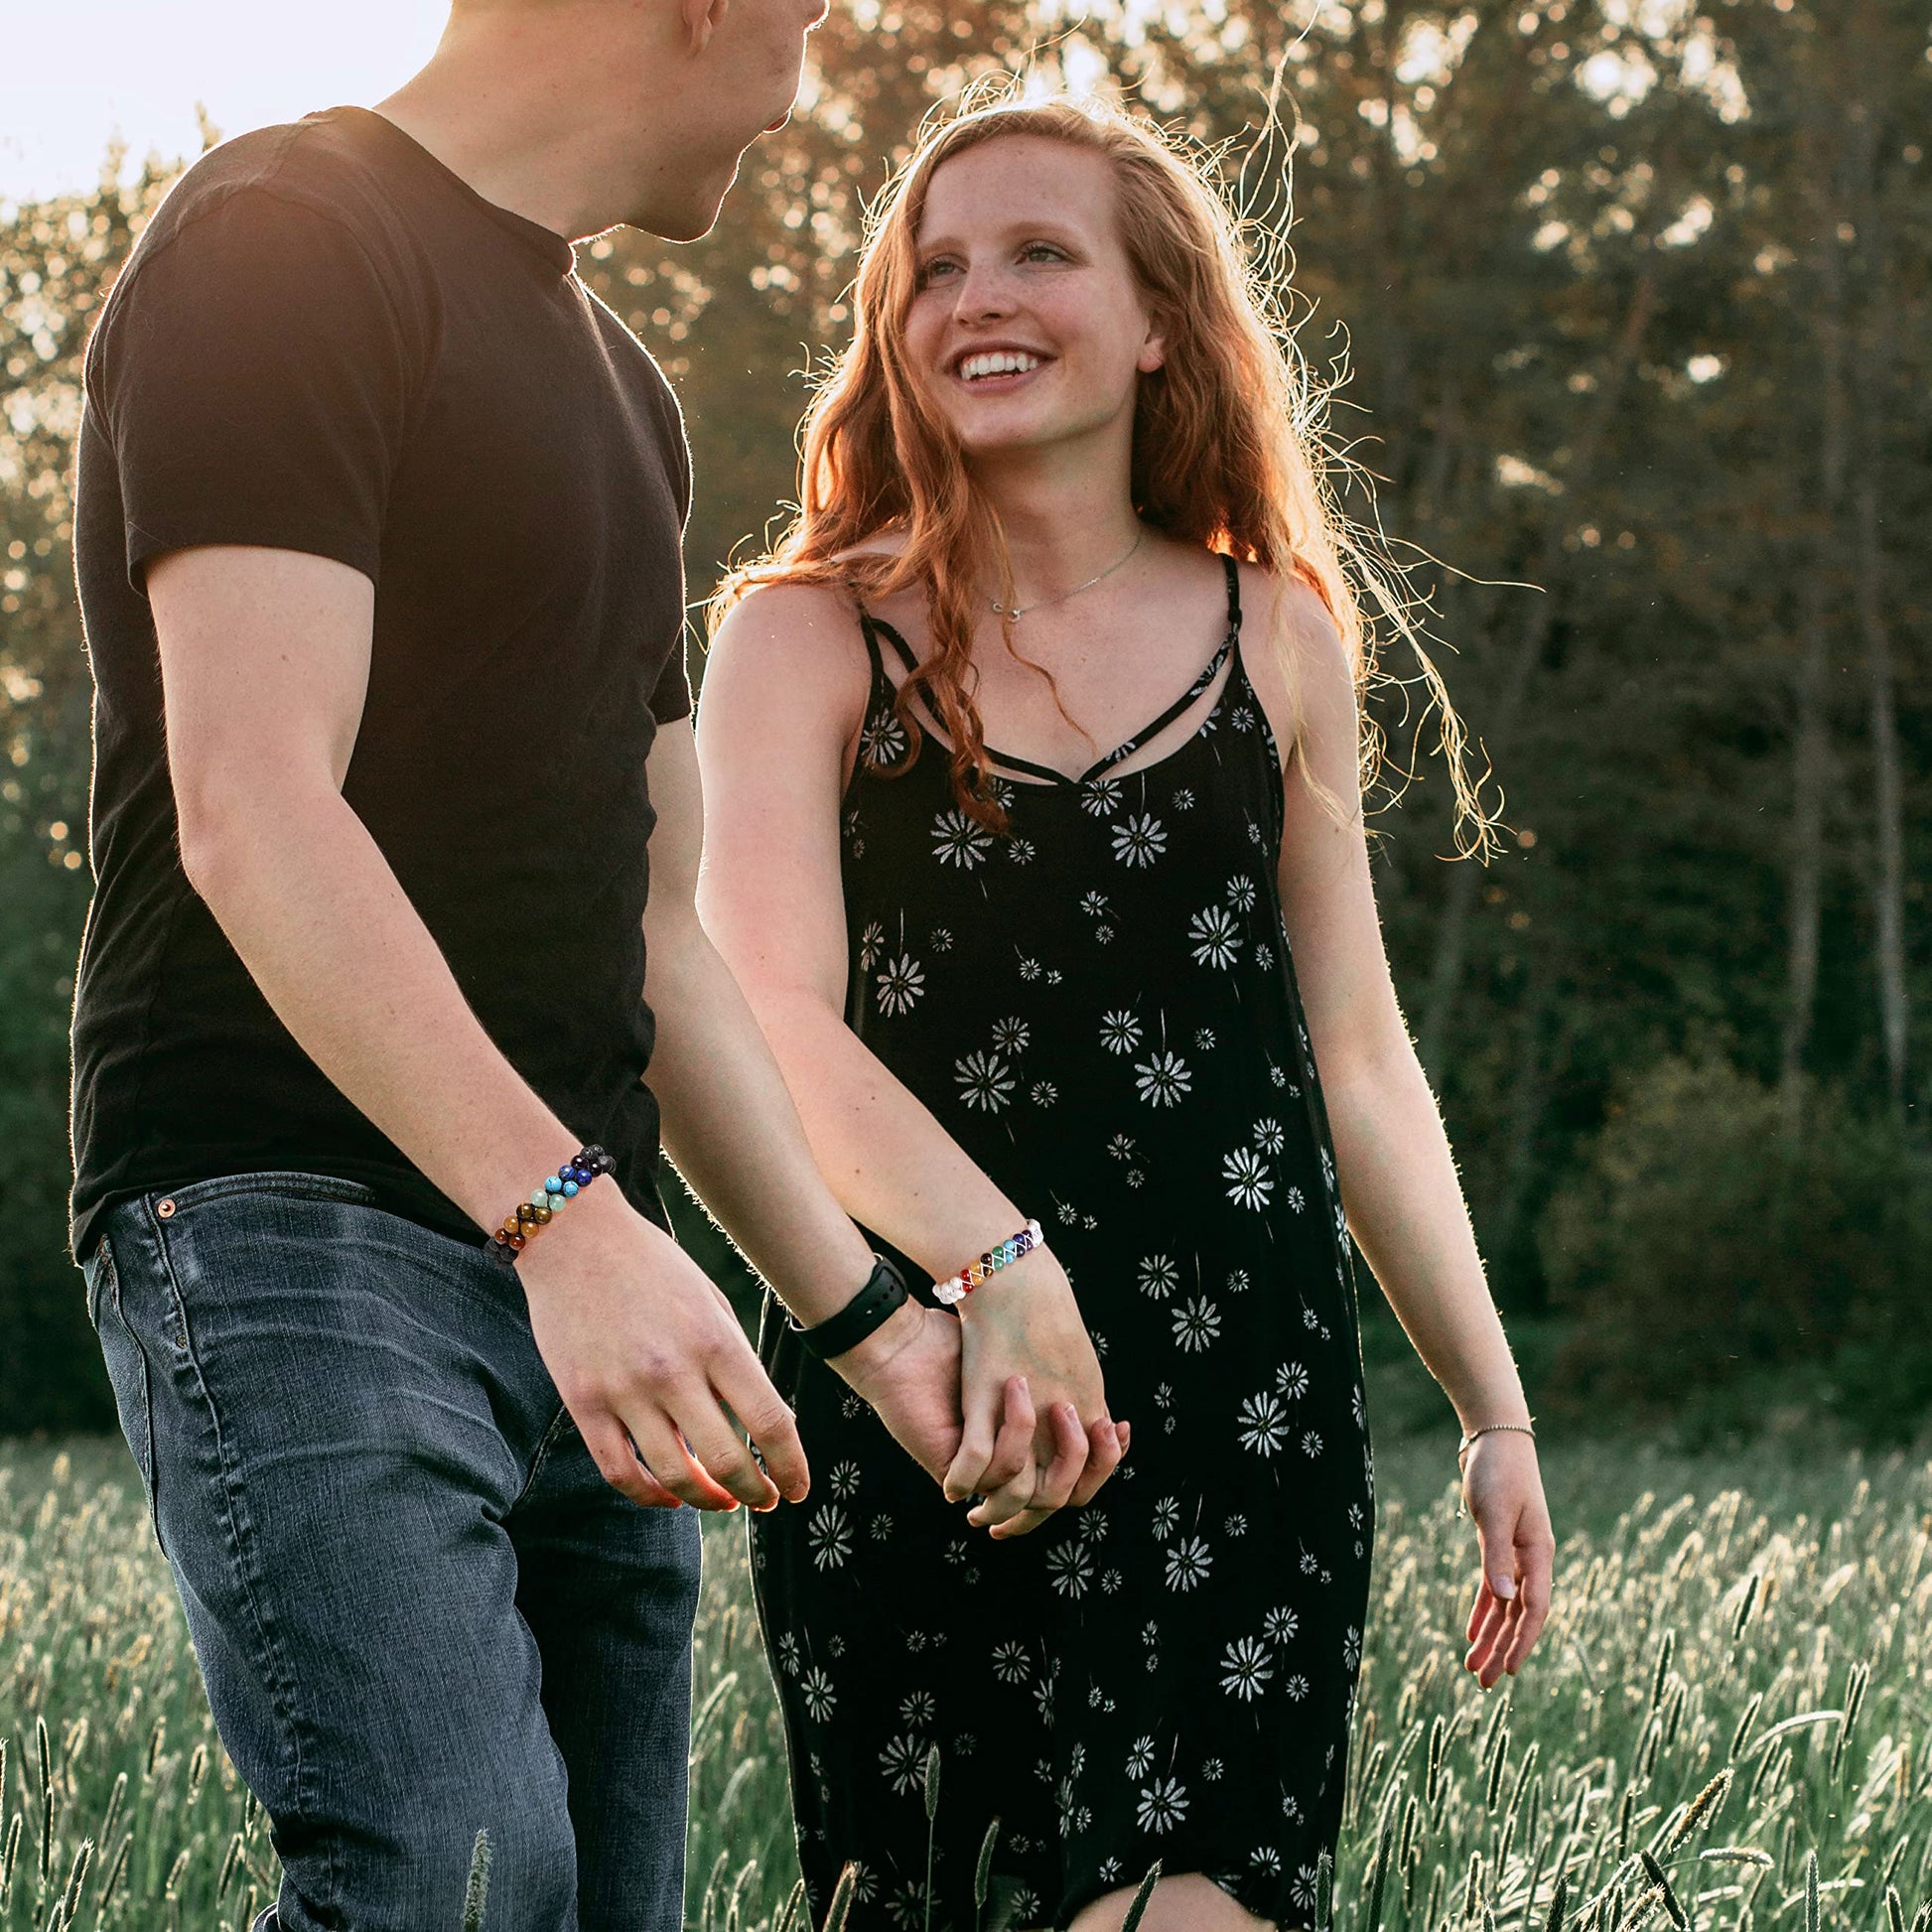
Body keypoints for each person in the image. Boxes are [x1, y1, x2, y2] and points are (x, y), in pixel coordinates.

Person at [69, 5, 1124, 1926]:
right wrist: (559, 1214)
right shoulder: (285, 240)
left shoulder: (626, 392)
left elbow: (665, 937)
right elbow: (253, 802)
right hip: (294, 1221)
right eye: (801, 20)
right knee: (458, 1884)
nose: (808, 74)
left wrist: (871, 1325)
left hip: (587, 1287)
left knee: (611, 1906)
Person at [694, 95, 1558, 1932]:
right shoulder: (804, 635)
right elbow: (763, 1013)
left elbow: (1357, 1060)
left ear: (1160, 318)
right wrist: (995, 1260)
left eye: (1036, 252)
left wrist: (1493, 1409)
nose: (971, 298)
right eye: (931, 266)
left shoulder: (1281, 641)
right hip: (934, 1401)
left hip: (1241, 1405)